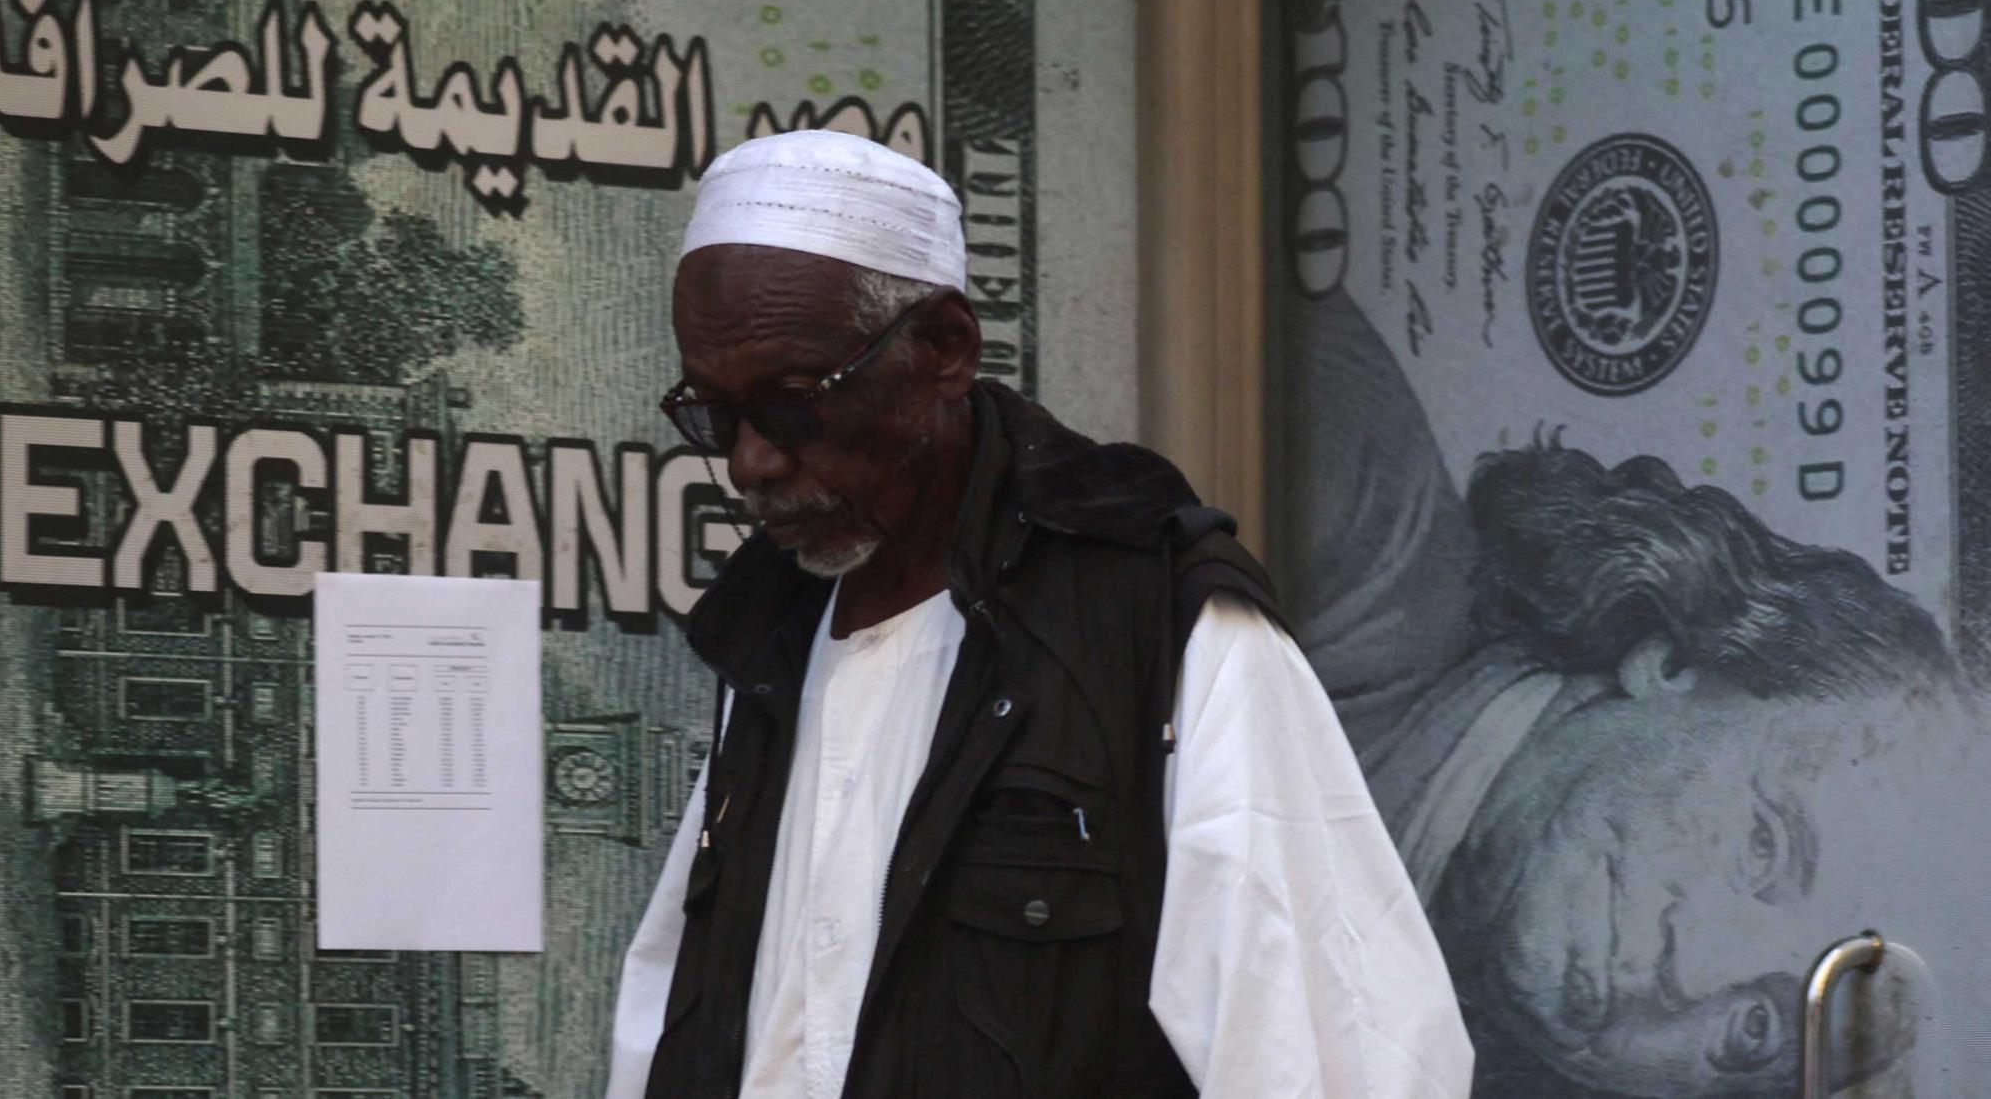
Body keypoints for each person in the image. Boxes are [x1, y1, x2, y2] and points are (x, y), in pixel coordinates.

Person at [603, 130, 1472, 1098]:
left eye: (795, 400)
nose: (749, 462)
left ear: (944, 348)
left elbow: (1333, 1046)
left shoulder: (1157, 628)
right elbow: (674, 1017)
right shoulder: (766, 637)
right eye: (713, 414)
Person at [1275, 287, 1983, 1097]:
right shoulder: (1348, 506)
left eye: (1759, 1029)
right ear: (1675, 661)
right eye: (1763, 846)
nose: (1697, 973)